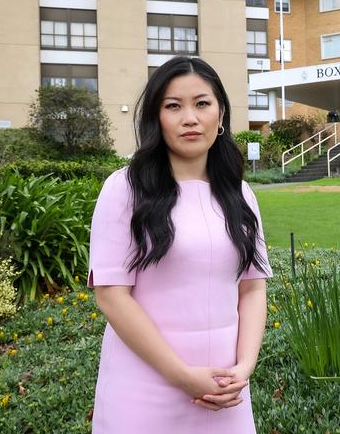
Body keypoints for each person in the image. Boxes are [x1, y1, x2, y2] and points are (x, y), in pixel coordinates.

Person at [87, 56, 272, 433]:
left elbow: (252, 287)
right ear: (157, 118)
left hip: (226, 392)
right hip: (143, 393)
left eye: (202, 104)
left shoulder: (240, 195)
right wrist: (183, 376)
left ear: (220, 115)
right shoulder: (124, 189)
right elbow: (111, 295)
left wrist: (244, 367)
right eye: (174, 106)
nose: (190, 117)